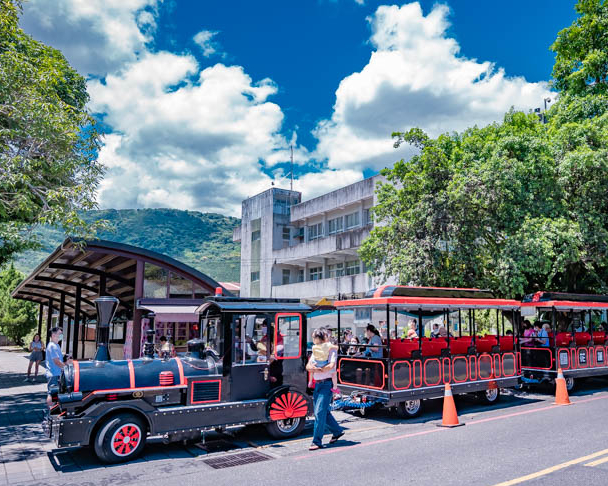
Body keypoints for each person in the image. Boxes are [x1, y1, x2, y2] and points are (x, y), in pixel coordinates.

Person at [306, 328, 344, 450]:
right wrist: (315, 369)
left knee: (319, 413)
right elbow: (308, 366)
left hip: (327, 384)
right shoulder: (316, 349)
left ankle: (317, 441)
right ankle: (337, 431)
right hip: (318, 384)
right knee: (324, 412)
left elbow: (331, 366)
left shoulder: (331, 349)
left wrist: (317, 369)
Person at [308, 330, 339, 394]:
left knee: (312, 366)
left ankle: (310, 381)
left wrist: (315, 369)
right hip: (319, 379)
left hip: (325, 382)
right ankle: (335, 387)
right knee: (334, 373)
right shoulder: (328, 346)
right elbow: (308, 366)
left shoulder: (314, 347)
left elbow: (331, 365)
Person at [45, 327, 64, 409]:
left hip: (56, 373)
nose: (61, 336)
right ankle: (49, 412)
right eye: (60, 334)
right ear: (53, 335)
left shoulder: (56, 345)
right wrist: (66, 367)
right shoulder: (53, 346)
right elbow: (56, 361)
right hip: (53, 374)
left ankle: (52, 409)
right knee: (52, 393)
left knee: (55, 393)